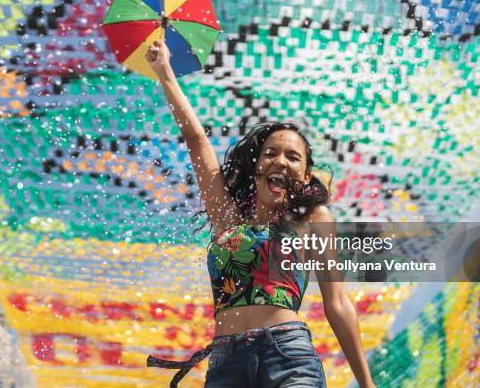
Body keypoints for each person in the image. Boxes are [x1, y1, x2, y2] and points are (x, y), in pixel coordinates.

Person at [144, 40, 375, 388]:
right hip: (225, 366)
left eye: (293, 157)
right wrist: (165, 73)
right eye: (271, 153)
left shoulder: (312, 220)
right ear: (257, 167)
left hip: (288, 357)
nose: (280, 161)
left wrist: (367, 383)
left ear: (306, 176)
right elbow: (197, 140)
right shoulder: (227, 219)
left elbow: (337, 303)